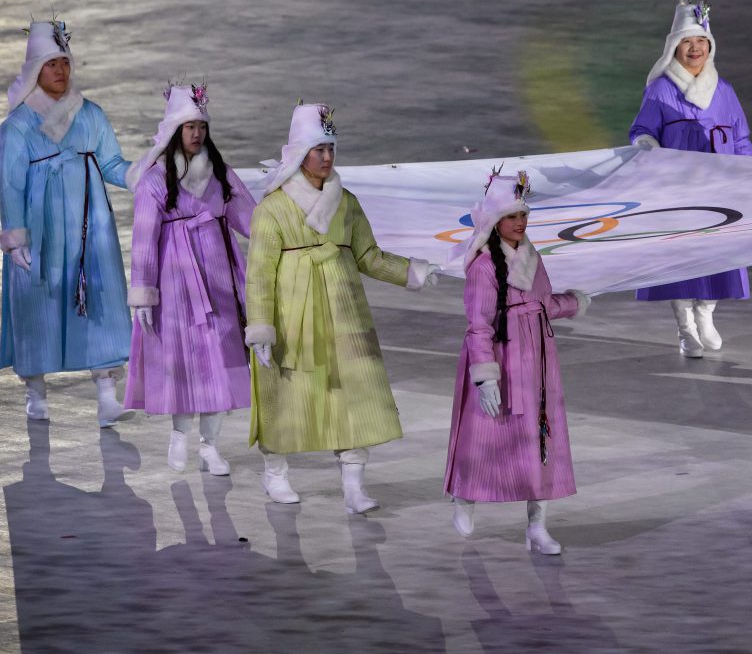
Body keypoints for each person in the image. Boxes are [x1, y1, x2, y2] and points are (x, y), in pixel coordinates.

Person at [244, 103, 439, 512]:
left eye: (331, 147)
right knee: (289, 389)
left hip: (344, 308)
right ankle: (275, 472)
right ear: (300, 153)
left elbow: (368, 255)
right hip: (293, 312)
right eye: (319, 149)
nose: (327, 157)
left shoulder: (345, 202)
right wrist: (261, 325)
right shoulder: (274, 208)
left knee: (352, 388)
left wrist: (411, 273)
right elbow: (260, 271)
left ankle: (353, 485)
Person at [0, 19, 135, 427]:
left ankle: (107, 392)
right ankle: (35, 391)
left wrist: (143, 176)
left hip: (88, 224)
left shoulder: (90, 114)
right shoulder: (18, 125)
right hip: (41, 227)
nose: (60, 72)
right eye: (51, 64)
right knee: (39, 301)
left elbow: (110, 162)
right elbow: (10, 183)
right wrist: (15, 234)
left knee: (98, 298)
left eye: (64, 63)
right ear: (35, 70)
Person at [444, 170, 589, 554]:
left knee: (539, 436)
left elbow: (539, 305)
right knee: (485, 433)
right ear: (494, 220)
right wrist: (485, 376)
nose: (521, 222)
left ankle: (537, 526)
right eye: (512, 216)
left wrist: (574, 303)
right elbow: (478, 324)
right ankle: (465, 495)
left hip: (537, 358)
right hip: (502, 356)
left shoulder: (530, 256)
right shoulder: (484, 266)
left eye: (524, 215)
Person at [124, 82, 256, 474]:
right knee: (182, 359)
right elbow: (144, 239)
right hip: (175, 280)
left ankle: (210, 445)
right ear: (173, 131)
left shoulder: (219, 174)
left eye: (201, 126)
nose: (197, 134)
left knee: (220, 356)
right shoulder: (153, 182)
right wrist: (144, 294)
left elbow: (251, 217)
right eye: (188, 126)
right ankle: (180, 434)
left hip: (218, 275)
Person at [629, 0, 752, 357]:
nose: (695, 48)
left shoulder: (724, 90)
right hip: (679, 186)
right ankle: (685, 326)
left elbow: (741, 136)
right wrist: (649, 147)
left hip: (719, 185)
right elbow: (641, 129)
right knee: (682, 255)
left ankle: (706, 312)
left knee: (716, 251)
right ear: (675, 47)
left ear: (710, 46)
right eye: (688, 41)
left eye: (701, 41)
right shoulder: (661, 89)